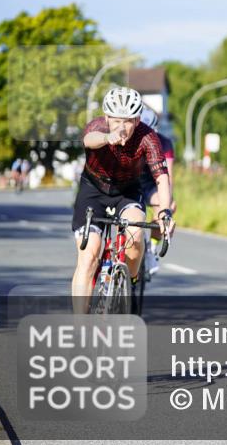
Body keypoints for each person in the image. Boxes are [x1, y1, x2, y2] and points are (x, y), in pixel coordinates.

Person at [71, 86, 175, 313]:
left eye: (128, 121)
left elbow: (161, 178)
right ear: (107, 117)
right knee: (88, 257)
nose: (122, 127)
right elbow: (89, 140)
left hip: (127, 192)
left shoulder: (148, 137)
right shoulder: (98, 127)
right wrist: (108, 137)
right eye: (116, 120)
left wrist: (164, 213)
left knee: (136, 235)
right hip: (93, 191)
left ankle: (130, 280)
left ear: (137, 120)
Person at [138, 107, 176, 276]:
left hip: (153, 183)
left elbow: (168, 177)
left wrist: (167, 205)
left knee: (165, 205)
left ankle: (152, 249)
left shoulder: (165, 143)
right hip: (133, 182)